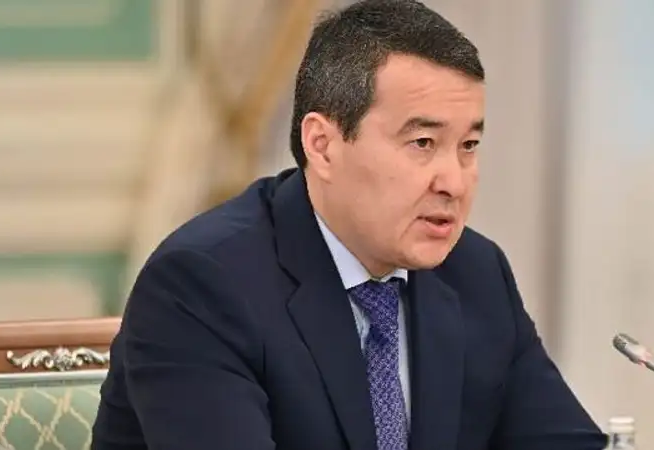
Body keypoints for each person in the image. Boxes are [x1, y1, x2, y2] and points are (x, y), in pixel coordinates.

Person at [91, 1, 607, 449]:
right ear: (323, 145)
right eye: (422, 143)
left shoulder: (475, 272)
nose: (454, 181)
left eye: (468, 146)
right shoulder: (203, 285)